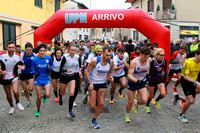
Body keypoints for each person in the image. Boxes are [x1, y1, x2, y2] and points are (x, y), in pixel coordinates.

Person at [83, 46, 113, 129]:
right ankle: (87, 95)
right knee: (92, 105)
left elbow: (111, 71)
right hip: (93, 83)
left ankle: (94, 120)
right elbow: (86, 71)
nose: (108, 57)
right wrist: (90, 83)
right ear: (102, 53)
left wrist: (111, 76)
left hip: (102, 84)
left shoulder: (111, 62)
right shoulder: (95, 61)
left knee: (101, 103)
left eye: (110, 55)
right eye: (107, 55)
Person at [125, 47, 151, 123]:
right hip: (133, 82)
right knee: (130, 101)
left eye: (148, 56)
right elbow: (129, 75)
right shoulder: (134, 62)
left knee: (144, 100)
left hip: (142, 82)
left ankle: (136, 103)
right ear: (141, 54)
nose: (146, 58)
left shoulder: (149, 60)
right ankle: (127, 115)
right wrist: (136, 81)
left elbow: (149, 69)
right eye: (145, 56)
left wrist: (148, 76)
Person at [174, 49, 200, 123]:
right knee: (190, 100)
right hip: (185, 81)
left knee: (192, 101)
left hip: (193, 81)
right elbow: (185, 76)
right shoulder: (188, 62)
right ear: (196, 55)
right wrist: (196, 82)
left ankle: (178, 97)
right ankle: (182, 115)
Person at [0, 41, 25, 115]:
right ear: (6, 48)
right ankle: (11, 106)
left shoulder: (18, 55)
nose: (11, 49)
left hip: (14, 76)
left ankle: (18, 102)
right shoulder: (2, 55)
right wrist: (1, 71)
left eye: (12, 47)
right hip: (5, 77)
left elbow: (22, 64)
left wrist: (22, 67)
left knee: (15, 91)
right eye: (9, 47)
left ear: (15, 48)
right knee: (8, 95)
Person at [32, 44, 53, 117]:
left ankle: (45, 95)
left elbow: (52, 65)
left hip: (46, 78)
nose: (42, 52)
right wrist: (34, 73)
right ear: (38, 51)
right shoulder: (34, 60)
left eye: (44, 51)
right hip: (38, 79)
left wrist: (50, 69)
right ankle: (38, 110)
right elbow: (32, 69)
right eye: (41, 51)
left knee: (48, 95)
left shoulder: (48, 58)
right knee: (38, 96)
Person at [59, 44, 79, 117]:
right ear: (69, 50)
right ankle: (60, 96)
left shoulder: (77, 57)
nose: (73, 52)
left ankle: (70, 111)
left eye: (74, 50)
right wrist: (66, 70)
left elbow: (78, 66)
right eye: (72, 50)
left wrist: (80, 71)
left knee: (72, 93)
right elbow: (60, 69)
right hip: (64, 76)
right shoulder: (65, 57)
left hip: (72, 77)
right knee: (62, 92)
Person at [145, 48, 167, 113]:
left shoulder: (164, 61)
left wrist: (165, 75)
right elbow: (151, 72)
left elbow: (165, 71)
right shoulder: (153, 61)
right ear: (156, 55)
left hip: (159, 80)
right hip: (152, 80)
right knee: (151, 96)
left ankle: (157, 100)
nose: (162, 57)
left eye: (163, 55)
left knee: (163, 94)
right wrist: (159, 75)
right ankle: (147, 105)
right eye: (160, 55)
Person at [19, 43, 36, 107]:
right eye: (27, 50)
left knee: (31, 88)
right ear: (25, 49)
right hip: (22, 73)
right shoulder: (22, 55)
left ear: (32, 49)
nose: (29, 51)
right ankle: (28, 99)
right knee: (25, 89)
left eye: (30, 50)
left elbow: (38, 61)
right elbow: (18, 63)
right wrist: (20, 66)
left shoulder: (34, 55)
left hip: (30, 73)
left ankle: (30, 91)